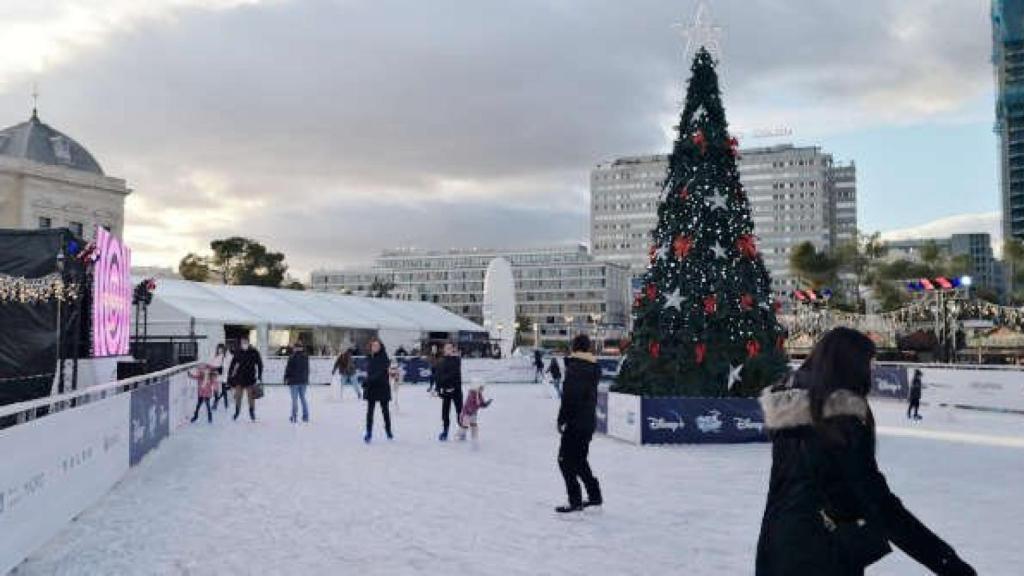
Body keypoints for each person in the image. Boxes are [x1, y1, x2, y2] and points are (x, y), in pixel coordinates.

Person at [756, 327, 975, 576]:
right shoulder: (841, 422)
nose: (871, 371)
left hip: (777, 548)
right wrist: (947, 562)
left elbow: (781, 499)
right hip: (822, 557)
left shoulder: (790, 419)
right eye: (868, 363)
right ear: (850, 366)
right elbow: (878, 503)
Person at [555, 334, 602, 514]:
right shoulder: (593, 367)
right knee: (580, 459)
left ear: (574, 348)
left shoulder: (575, 368)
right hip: (588, 421)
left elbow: (569, 398)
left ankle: (575, 500)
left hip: (576, 422)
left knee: (565, 461)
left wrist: (561, 419)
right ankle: (595, 495)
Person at [363, 337, 393, 443]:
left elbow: (380, 374)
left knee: (385, 411)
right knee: (369, 412)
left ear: (380, 347)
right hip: (371, 388)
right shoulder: (369, 357)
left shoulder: (384, 358)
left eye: (377, 346)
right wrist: (367, 381)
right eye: (373, 345)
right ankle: (369, 432)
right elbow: (369, 372)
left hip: (382, 387)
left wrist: (367, 381)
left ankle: (388, 430)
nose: (375, 347)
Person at [228, 337, 263, 422]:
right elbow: (232, 364)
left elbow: (260, 364)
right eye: (242, 342)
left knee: (251, 397)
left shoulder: (254, 352)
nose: (244, 344)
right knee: (238, 397)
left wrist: (259, 376)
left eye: (245, 342)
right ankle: (237, 412)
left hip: (250, 379)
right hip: (239, 378)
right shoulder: (238, 352)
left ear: (248, 342)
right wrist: (230, 375)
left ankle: (252, 412)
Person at [435, 341, 465, 441]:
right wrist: (438, 388)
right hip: (445, 391)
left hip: (456, 390)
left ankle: (462, 431)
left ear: (453, 349)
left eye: (450, 348)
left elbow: (454, 374)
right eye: (446, 348)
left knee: (459, 411)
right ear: (444, 349)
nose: (448, 350)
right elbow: (438, 376)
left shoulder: (456, 360)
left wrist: (447, 384)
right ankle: (445, 431)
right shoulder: (440, 361)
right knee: (445, 412)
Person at [284, 341, 310, 423]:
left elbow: (288, 369)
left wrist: (286, 377)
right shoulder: (306, 357)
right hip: (303, 381)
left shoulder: (292, 357)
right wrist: (306, 379)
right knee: (303, 398)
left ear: (295, 348)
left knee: (294, 400)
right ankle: (306, 416)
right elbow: (307, 370)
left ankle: (294, 416)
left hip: (294, 381)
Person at [211, 343, 230, 411]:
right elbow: (212, 365)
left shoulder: (224, 356)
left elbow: (226, 367)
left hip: (222, 376)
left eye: (221, 348)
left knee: (224, 390)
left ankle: (226, 404)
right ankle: (216, 404)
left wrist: (218, 369)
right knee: (216, 391)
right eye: (219, 348)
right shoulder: (216, 356)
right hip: (216, 375)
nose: (220, 349)